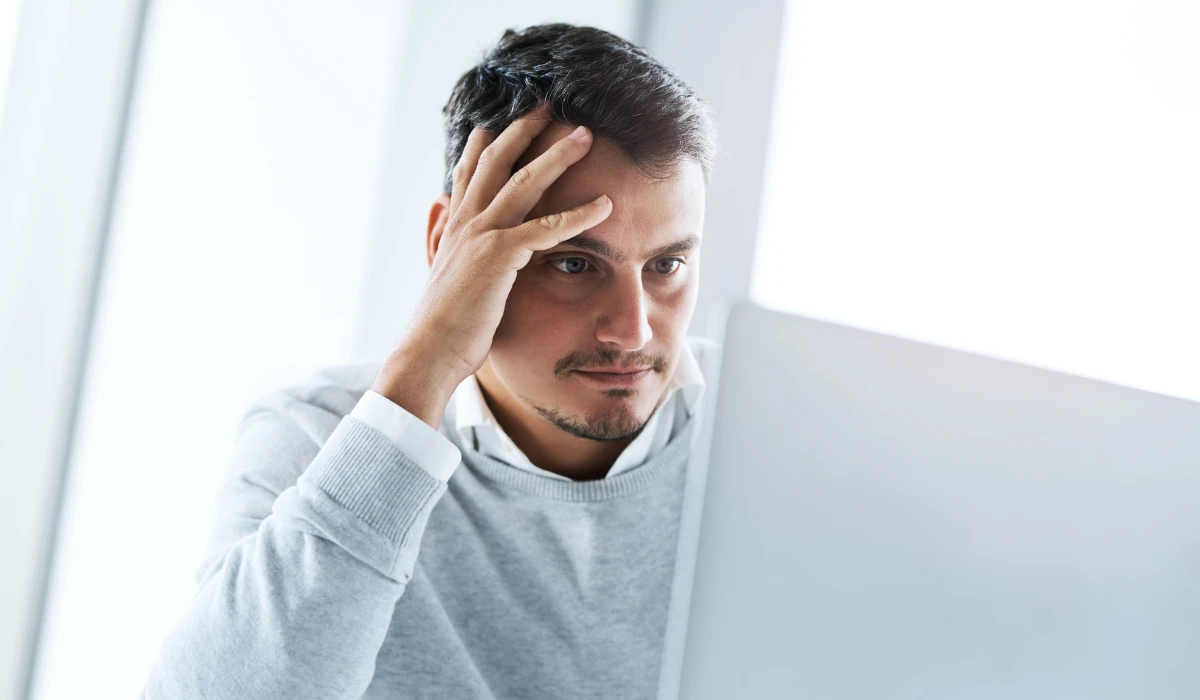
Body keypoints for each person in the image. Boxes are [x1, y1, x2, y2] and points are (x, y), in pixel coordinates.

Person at [142, 22, 719, 699]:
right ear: (451, 243)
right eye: (573, 262)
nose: (633, 328)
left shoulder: (769, 436)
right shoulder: (317, 442)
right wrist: (424, 366)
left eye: (668, 265)